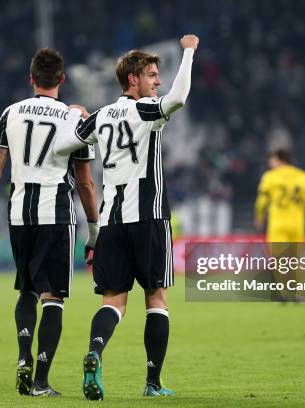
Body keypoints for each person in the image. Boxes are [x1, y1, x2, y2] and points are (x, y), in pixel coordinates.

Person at [55, 34, 199, 400]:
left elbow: (65, 142)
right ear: (132, 79)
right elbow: (179, 97)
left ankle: (95, 353)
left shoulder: (101, 115)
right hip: (149, 219)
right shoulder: (146, 110)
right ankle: (152, 383)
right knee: (157, 300)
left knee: (113, 303)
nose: (158, 81)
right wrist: (189, 51)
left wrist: (74, 113)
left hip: (111, 224)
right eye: (152, 75)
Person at [0, 48, 99, 397]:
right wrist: (94, 229)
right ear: (62, 79)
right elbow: (85, 182)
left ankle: (24, 357)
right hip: (55, 213)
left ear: (31, 78)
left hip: (18, 213)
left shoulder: (10, 113)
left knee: (26, 289)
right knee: (52, 297)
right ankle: (40, 380)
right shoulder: (73, 119)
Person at [254, 148, 305, 301]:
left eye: (272, 159)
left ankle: (282, 292)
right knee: (296, 260)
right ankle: (297, 293)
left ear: (281, 159)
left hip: (278, 223)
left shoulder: (270, 177)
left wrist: (259, 216)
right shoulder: (303, 177)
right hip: (297, 223)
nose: (270, 163)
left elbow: (262, 201)